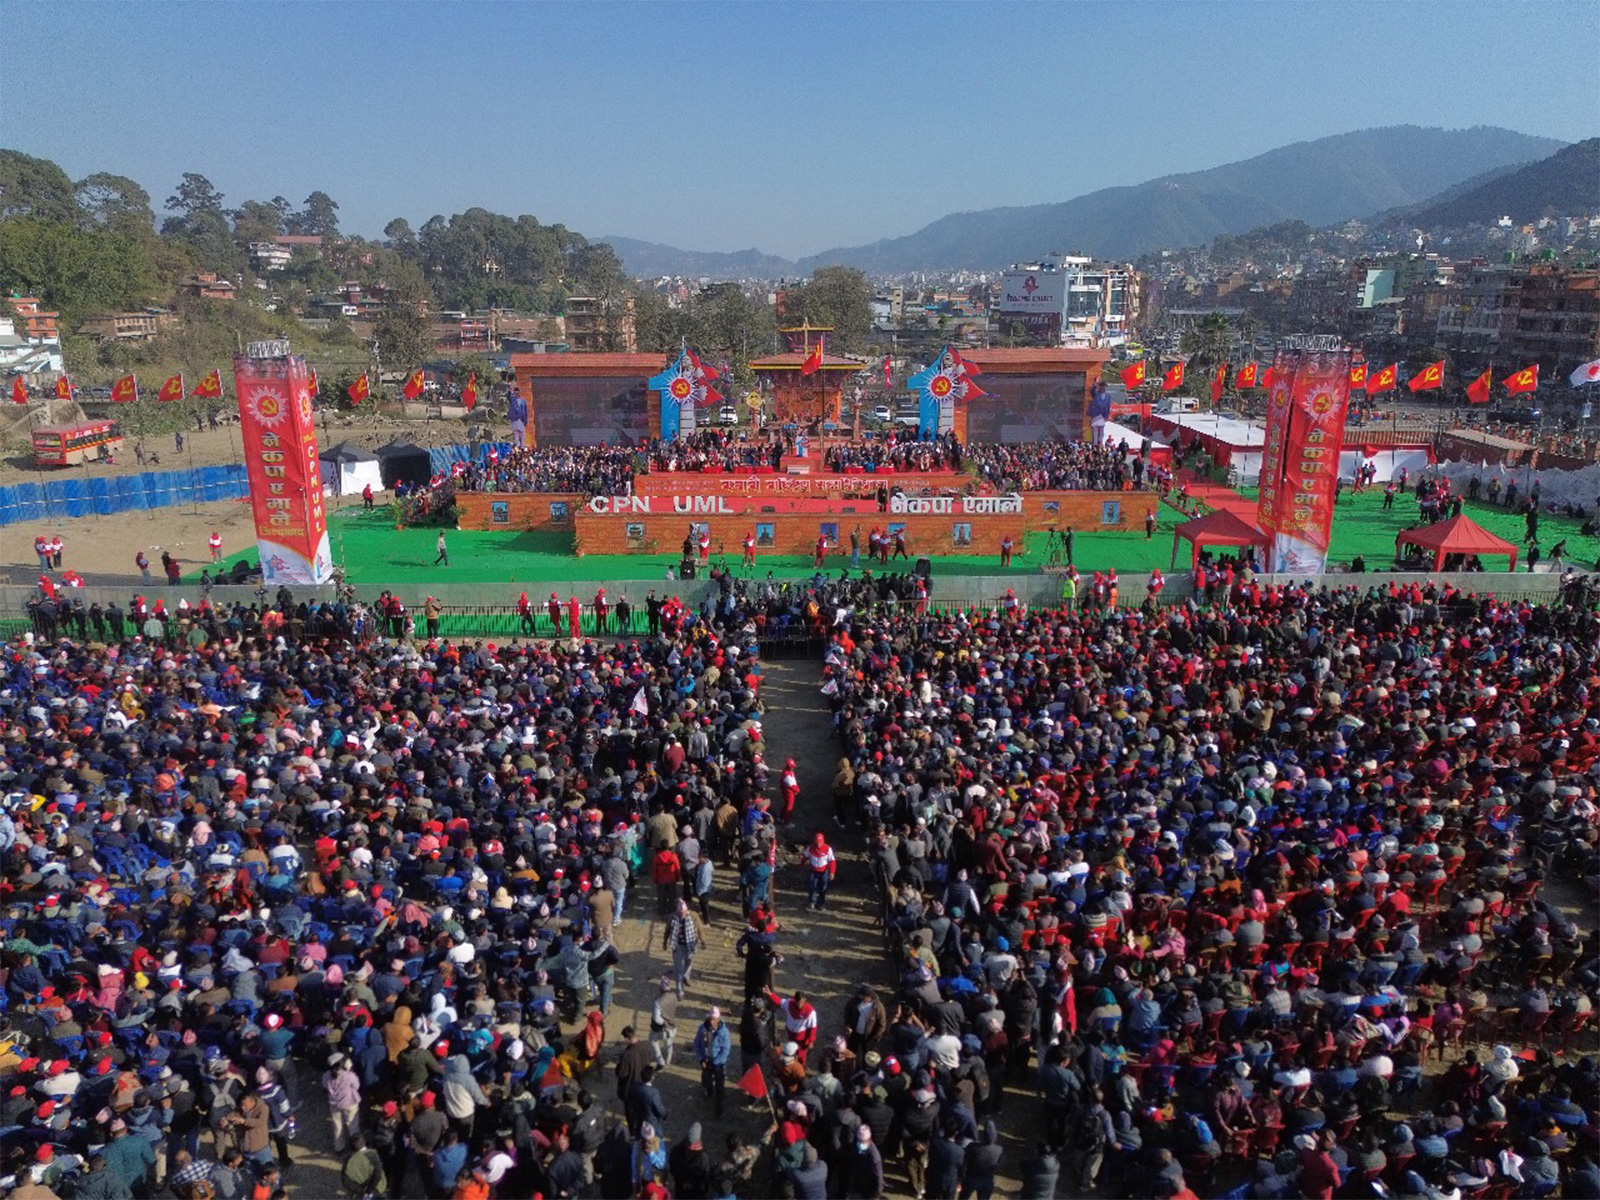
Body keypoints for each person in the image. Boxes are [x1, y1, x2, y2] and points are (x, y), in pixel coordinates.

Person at [693, 1008, 732, 1117]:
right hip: (706, 1061)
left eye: (714, 1019)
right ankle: (709, 1090)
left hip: (718, 1064)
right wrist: (701, 1059)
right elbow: (697, 1045)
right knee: (706, 1081)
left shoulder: (724, 1032)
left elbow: (725, 1050)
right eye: (710, 1019)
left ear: (718, 1019)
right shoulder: (702, 1029)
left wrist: (716, 1062)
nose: (711, 1021)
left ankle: (719, 1109)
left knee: (719, 1087)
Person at [664, 899, 703, 997]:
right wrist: (664, 942)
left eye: (684, 912)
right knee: (678, 969)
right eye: (680, 912)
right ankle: (679, 991)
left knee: (689, 961)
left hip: (690, 944)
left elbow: (700, 929)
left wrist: (703, 941)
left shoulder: (693, 916)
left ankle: (686, 976)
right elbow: (667, 930)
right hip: (677, 945)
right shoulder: (672, 917)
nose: (682, 914)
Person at [805, 830, 837, 911]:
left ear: (823, 841)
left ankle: (820, 904)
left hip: (823, 872)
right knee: (811, 887)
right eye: (817, 842)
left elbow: (832, 861)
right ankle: (812, 902)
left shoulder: (828, 849)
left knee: (823, 888)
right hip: (813, 871)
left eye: (819, 842)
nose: (818, 844)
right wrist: (800, 864)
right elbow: (805, 856)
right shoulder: (810, 847)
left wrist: (832, 872)